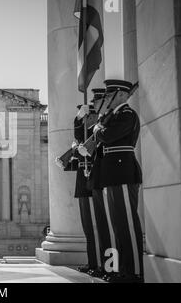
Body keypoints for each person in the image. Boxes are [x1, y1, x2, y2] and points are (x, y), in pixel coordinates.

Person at [88, 79, 143, 283]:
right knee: (118, 225)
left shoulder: (126, 114)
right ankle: (122, 270)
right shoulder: (113, 115)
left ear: (121, 95)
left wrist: (98, 129)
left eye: (110, 95)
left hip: (123, 171)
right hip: (112, 173)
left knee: (127, 224)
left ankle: (134, 272)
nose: (106, 99)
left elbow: (109, 136)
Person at [73, 89, 105, 276]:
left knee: (97, 225)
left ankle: (101, 263)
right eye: (83, 117)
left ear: (94, 117)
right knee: (88, 227)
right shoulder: (84, 133)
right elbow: (78, 133)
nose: (85, 120)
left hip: (94, 181)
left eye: (87, 116)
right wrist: (77, 119)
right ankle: (93, 262)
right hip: (83, 183)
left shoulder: (98, 131)